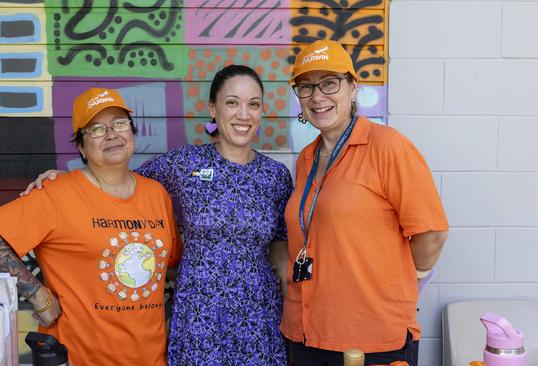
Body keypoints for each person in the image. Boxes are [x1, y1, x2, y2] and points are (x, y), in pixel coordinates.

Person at [23, 65, 293, 365]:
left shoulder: (276, 176)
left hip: (258, 314)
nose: (244, 114)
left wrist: (291, 316)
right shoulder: (185, 162)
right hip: (198, 315)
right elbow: (117, 180)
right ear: (212, 109)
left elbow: (281, 256)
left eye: (253, 104)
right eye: (232, 102)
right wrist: (70, 178)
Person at [0, 87, 182, 366]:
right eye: (96, 129)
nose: (111, 134)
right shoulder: (56, 194)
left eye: (119, 123)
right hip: (80, 358)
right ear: (81, 146)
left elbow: (173, 260)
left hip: (151, 358)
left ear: (132, 132)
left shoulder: (157, 194)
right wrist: (38, 295)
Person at [281, 40, 449, 366]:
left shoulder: (387, 147)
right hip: (305, 333)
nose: (317, 96)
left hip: (370, 337)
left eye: (329, 83)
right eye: (306, 86)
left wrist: (398, 281)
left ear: (353, 87)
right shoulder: (306, 158)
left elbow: (432, 232)